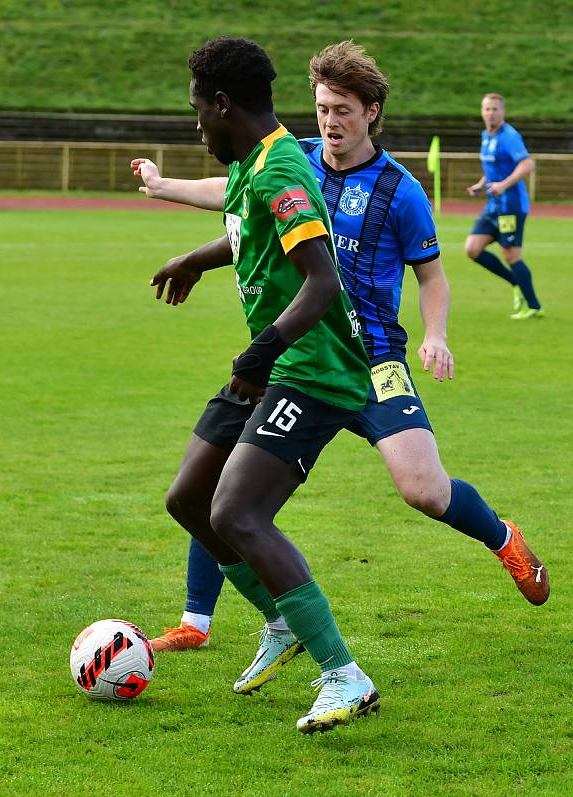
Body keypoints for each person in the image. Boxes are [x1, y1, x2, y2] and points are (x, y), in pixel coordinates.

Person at [132, 42, 549, 665]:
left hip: (373, 358)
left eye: (343, 110)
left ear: (371, 113)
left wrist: (435, 335)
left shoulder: (400, 191)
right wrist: (165, 188)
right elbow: (239, 201)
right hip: (304, 351)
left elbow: (432, 276)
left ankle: (503, 538)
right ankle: (198, 618)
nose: (329, 121)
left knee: (423, 491)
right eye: (322, 107)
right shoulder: (295, 158)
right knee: (224, 479)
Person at [151, 36, 382, 734]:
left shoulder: (281, 165)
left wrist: (260, 352)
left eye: (198, 114)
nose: (197, 128)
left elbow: (321, 279)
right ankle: (280, 620)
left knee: (238, 515)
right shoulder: (256, 162)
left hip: (311, 368)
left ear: (223, 104)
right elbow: (249, 234)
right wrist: (195, 257)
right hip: (273, 363)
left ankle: (345, 677)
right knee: (189, 499)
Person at [464, 93, 543, 320]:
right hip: (493, 205)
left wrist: (504, 185)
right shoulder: (486, 136)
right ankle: (515, 283)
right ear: (482, 111)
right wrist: (481, 184)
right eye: (487, 109)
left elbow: (528, 164)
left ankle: (534, 306)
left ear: (503, 112)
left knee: (511, 255)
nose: (491, 113)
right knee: (472, 249)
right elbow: (496, 169)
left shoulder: (509, 136)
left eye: (495, 109)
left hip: (510, 206)